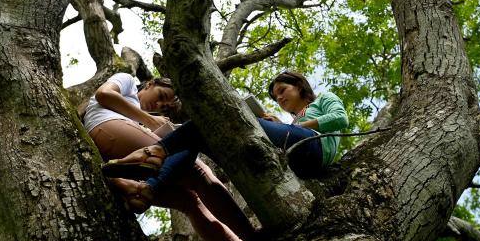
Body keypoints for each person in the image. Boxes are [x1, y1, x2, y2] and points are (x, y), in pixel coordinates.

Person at [84, 73, 259, 241]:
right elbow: (104, 94)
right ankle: (256, 240)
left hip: (112, 155)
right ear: (150, 83)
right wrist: (151, 120)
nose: (159, 105)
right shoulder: (128, 81)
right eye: (161, 96)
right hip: (106, 126)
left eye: (164, 106)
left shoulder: (139, 119)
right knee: (197, 171)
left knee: (190, 202)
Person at [102, 70, 349, 201]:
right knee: (200, 135)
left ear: (301, 86)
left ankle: (156, 151)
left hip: (312, 148)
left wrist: (302, 124)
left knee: (216, 116)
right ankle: (148, 188)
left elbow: (340, 119)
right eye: (276, 96)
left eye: (283, 90)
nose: (280, 98)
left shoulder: (323, 100)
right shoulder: (291, 122)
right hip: (296, 159)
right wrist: (271, 124)